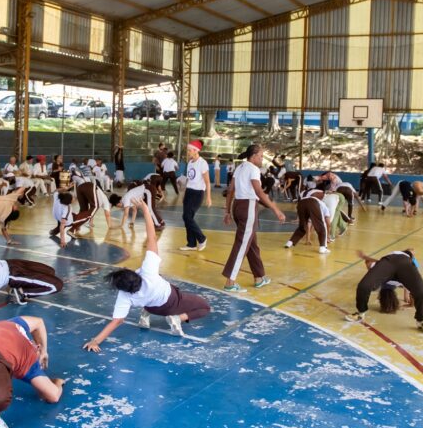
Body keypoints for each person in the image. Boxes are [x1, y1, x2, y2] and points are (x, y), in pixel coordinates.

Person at [83, 199, 210, 351]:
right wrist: (146, 209)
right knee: (205, 308)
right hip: (172, 301)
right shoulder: (147, 271)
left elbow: (116, 321)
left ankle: (145, 314)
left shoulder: (125, 296)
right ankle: (178, 318)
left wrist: (95, 341)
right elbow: (152, 237)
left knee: (149, 298)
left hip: (153, 307)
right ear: (132, 274)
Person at [222, 145, 286, 292]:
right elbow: (259, 191)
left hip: (237, 206)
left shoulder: (240, 168)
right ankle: (230, 282)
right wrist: (276, 210)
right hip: (248, 207)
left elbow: (230, 190)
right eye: (261, 156)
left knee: (251, 243)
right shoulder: (253, 169)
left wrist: (227, 211)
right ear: (254, 156)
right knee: (242, 244)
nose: (262, 159)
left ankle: (259, 277)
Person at [345, 250, 423, 333]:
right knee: (364, 286)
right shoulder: (400, 282)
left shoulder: (398, 275)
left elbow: (370, 262)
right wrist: (410, 302)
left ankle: (421, 321)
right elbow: (412, 295)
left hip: (403, 260)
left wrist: (366, 257)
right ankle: (361, 313)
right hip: (391, 260)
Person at [181, 140, 211, 251]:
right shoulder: (190, 162)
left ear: (196, 150)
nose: (188, 152)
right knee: (188, 218)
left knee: (187, 217)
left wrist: (208, 197)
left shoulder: (202, 163)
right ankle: (191, 244)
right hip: (189, 192)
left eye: (190, 150)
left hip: (197, 193)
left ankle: (202, 238)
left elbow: (207, 181)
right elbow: (189, 179)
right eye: (188, 150)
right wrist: (184, 194)